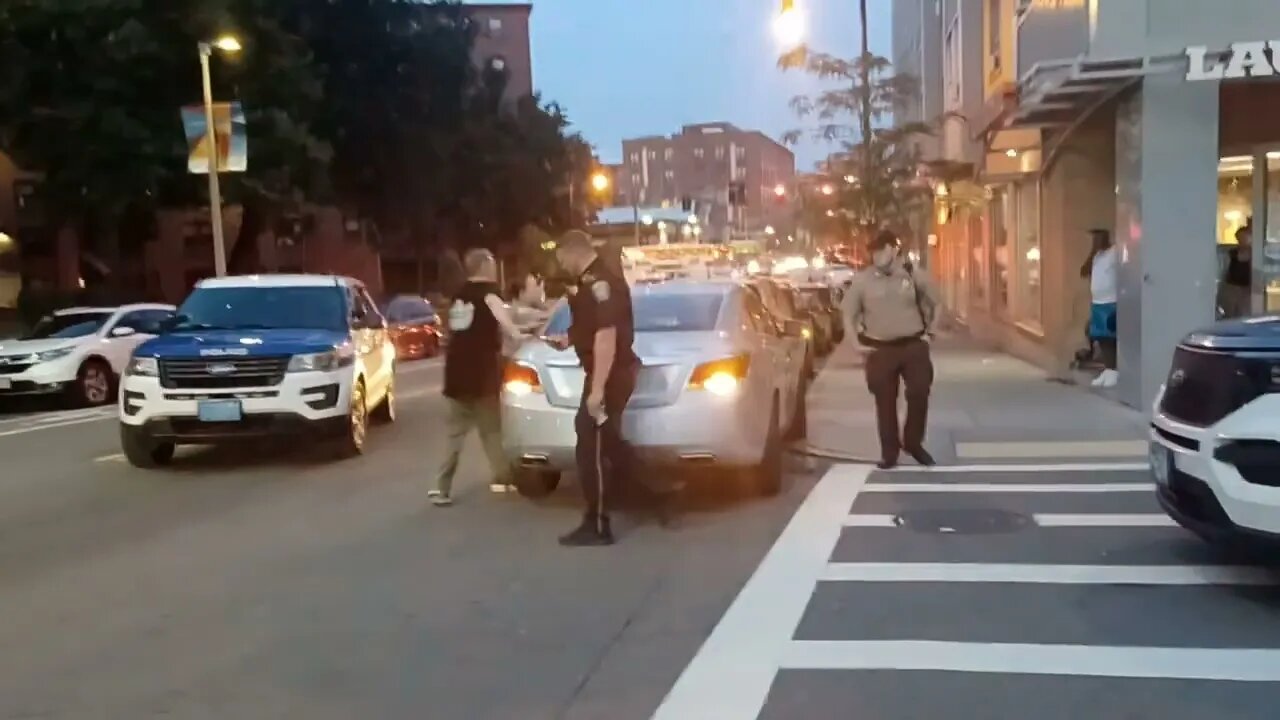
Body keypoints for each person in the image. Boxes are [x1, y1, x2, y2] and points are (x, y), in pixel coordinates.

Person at [545, 231, 640, 546]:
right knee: (607, 440)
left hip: (610, 373)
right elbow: (589, 327)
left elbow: (606, 335)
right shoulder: (589, 282)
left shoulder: (601, 283)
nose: (560, 265)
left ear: (573, 252)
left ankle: (598, 524)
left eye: (561, 258)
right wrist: (569, 338)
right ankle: (651, 492)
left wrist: (597, 390)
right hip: (610, 371)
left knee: (590, 443)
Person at [429, 248, 528, 506]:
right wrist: (520, 336)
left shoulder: (458, 296)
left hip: (455, 376)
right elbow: (504, 319)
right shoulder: (489, 294)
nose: (495, 268)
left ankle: (441, 488)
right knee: (492, 431)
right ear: (484, 266)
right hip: (482, 375)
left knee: (454, 436)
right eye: (493, 263)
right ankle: (504, 478)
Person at [845, 229, 941, 470]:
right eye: (874, 252)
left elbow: (937, 303)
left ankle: (913, 442)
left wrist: (931, 333)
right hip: (879, 348)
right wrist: (855, 343)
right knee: (884, 402)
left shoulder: (912, 275)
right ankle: (890, 452)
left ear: (894, 249)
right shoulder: (863, 280)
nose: (877, 256)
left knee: (919, 392)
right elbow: (848, 314)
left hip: (913, 344)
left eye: (882, 250)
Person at [1080, 228, 1118, 388]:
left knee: (1109, 336)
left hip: (1111, 301)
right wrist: (1092, 252)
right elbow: (1083, 272)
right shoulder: (1097, 255)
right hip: (1098, 302)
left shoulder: (1114, 252)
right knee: (1099, 336)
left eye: (1098, 238)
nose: (1095, 242)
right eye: (1093, 239)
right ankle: (1108, 369)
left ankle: (1114, 370)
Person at [1219, 220, 1252, 319]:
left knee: (1244, 314)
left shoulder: (1254, 254)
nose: (1242, 241)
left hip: (1247, 290)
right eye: (1240, 238)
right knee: (1230, 314)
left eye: (1245, 237)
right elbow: (1224, 271)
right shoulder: (1231, 253)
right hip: (1231, 288)